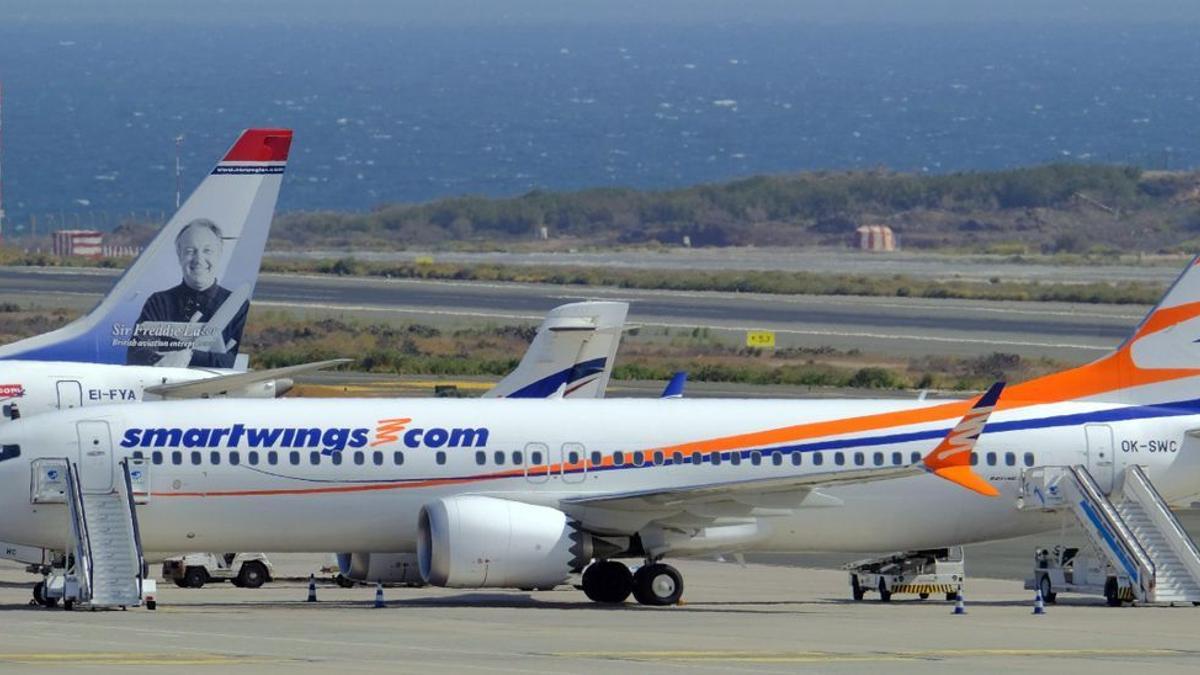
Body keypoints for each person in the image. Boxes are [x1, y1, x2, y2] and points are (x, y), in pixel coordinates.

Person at [125, 218, 249, 367]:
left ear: (219, 254)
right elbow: (136, 354)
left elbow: (240, 362)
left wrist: (188, 356)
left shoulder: (240, 307)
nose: (199, 259)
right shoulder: (158, 303)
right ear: (179, 255)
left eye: (207, 251)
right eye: (190, 251)